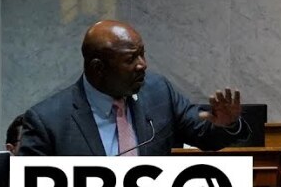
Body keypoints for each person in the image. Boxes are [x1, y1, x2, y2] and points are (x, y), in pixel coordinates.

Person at [17, 20, 246, 156]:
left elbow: (204, 135)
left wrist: (226, 124)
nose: (142, 65)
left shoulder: (158, 91)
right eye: (130, 59)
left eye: (142, 54)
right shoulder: (47, 121)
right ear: (98, 68)